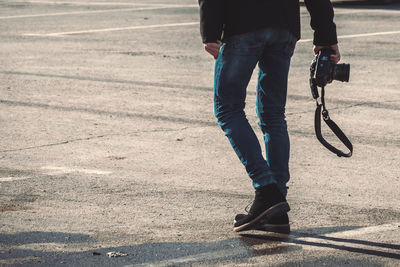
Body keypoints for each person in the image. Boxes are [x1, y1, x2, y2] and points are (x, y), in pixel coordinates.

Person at [198, 0, 341, 233]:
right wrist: (326, 35)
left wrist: (210, 30)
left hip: (242, 22)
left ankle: (267, 190)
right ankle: (277, 207)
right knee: (273, 114)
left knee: (228, 109)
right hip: (283, 25)